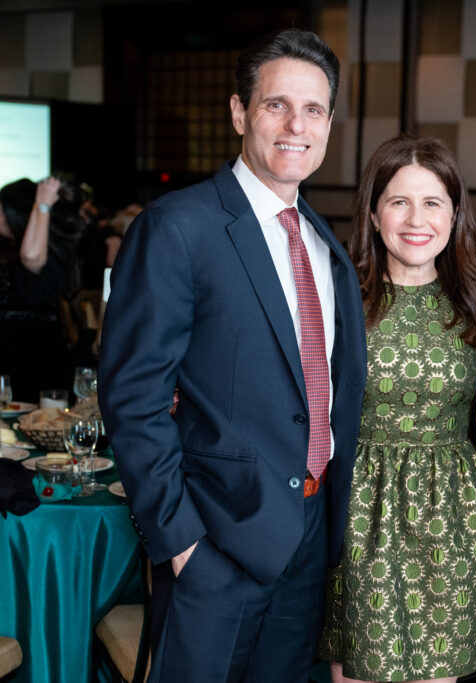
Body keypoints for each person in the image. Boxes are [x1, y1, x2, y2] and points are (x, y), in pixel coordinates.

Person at [98, 29, 366, 682]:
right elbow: (132, 397)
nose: (296, 125)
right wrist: (182, 544)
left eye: (313, 109)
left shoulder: (325, 245)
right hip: (214, 546)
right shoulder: (177, 227)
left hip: (308, 539)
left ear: (329, 123)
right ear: (240, 112)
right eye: (277, 105)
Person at [318, 136, 476, 682]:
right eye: (399, 202)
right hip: (361, 518)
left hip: (454, 521)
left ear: (454, 215)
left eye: (432, 202)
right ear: (374, 215)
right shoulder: (340, 298)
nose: (416, 219)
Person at [0, 174, 87, 399]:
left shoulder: (40, 253)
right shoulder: (8, 249)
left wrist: (43, 203)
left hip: (30, 357)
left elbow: (31, 257)